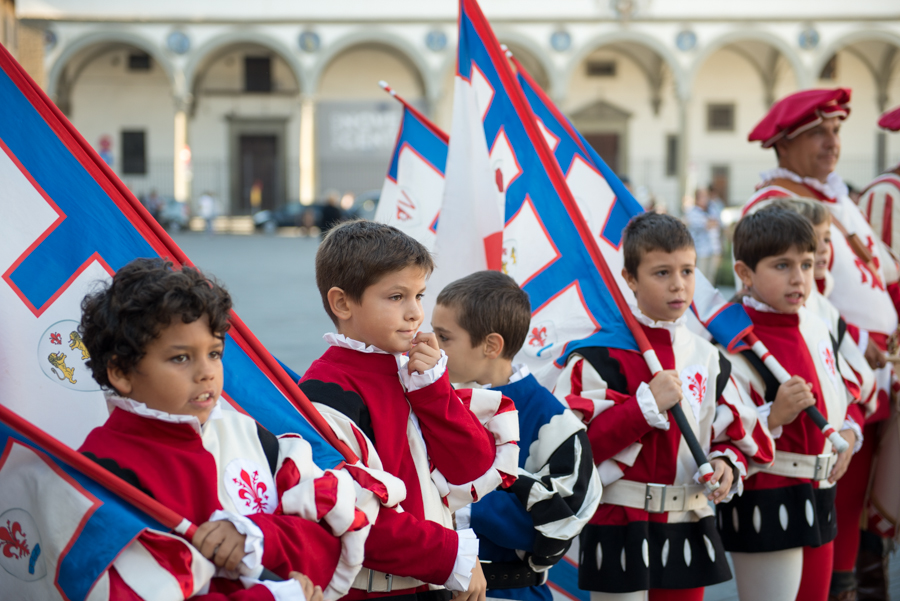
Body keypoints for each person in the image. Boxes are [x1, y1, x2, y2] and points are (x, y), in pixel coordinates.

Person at [77, 258, 375, 600]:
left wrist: (258, 537)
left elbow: (329, 536)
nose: (207, 372)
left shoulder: (250, 435)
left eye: (214, 353)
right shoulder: (105, 471)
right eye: (180, 358)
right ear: (121, 372)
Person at [553, 212, 773, 600]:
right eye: (661, 273)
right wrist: (642, 407)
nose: (678, 285)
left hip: (688, 519)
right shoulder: (599, 357)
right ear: (630, 279)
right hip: (618, 522)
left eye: (687, 271)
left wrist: (724, 463)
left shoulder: (708, 358)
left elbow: (735, 433)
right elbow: (571, 450)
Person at [297, 220, 519, 601]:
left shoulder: (414, 373)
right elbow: (350, 511)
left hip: (430, 580)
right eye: (397, 297)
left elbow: (473, 467)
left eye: (419, 295)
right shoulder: (327, 390)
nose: (416, 313)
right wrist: (453, 555)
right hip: (373, 589)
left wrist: (434, 392)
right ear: (342, 303)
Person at [743, 89, 899, 600]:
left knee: (854, 488)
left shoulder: (832, 196)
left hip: (864, 368)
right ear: (784, 145)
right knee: (833, 483)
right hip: (830, 359)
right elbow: (808, 302)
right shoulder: (779, 202)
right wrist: (857, 341)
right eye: (819, 132)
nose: (833, 142)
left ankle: (850, 582)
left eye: (836, 131)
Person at [716, 207, 861, 601]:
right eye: (782, 265)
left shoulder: (815, 324)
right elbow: (718, 430)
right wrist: (773, 416)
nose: (799, 277)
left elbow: (848, 392)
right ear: (744, 273)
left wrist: (849, 428)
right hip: (768, 490)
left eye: (806, 263)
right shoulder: (732, 341)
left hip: (822, 488)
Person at [430, 270, 602, 601]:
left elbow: (558, 522)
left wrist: (454, 503)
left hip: (511, 591)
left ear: (491, 345)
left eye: (445, 337)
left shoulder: (553, 421)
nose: (433, 346)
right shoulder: (432, 400)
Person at [685, 188, 721, 284]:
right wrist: (710, 223)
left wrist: (712, 222)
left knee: (711, 279)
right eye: (703, 197)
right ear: (697, 199)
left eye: (706, 196)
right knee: (700, 278)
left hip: (713, 249)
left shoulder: (711, 209)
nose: (705, 199)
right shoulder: (692, 212)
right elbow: (707, 225)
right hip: (701, 251)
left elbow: (718, 222)